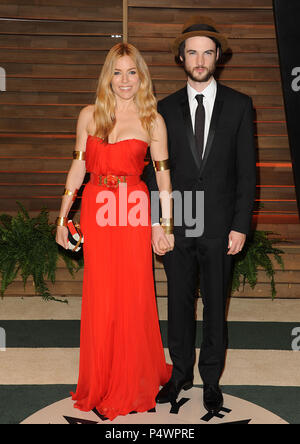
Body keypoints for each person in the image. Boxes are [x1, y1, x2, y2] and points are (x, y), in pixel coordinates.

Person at [144, 16, 256, 415]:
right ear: (180, 56)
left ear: (218, 57)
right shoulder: (162, 109)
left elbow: (247, 171)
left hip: (221, 225)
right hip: (177, 224)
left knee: (214, 307)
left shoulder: (241, 105)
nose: (200, 58)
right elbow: (150, 171)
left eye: (208, 51)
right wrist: (157, 222)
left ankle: (211, 380)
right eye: (192, 51)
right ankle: (179, 376)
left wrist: (241, 225)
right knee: (177, 304)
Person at [55, 43, 173, 421]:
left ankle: (131, 379)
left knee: (133, 293)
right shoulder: (89, 116)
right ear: (108, 76)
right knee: (101, 295)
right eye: (117, 72)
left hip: (132, 207)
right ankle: (101, 379)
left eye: (131, 72)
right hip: (96, 205)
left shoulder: (153, 119)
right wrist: (61, 220)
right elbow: (77, 170)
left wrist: (164, 226)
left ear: (142, 76)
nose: (124, 81)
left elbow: (165, 180)